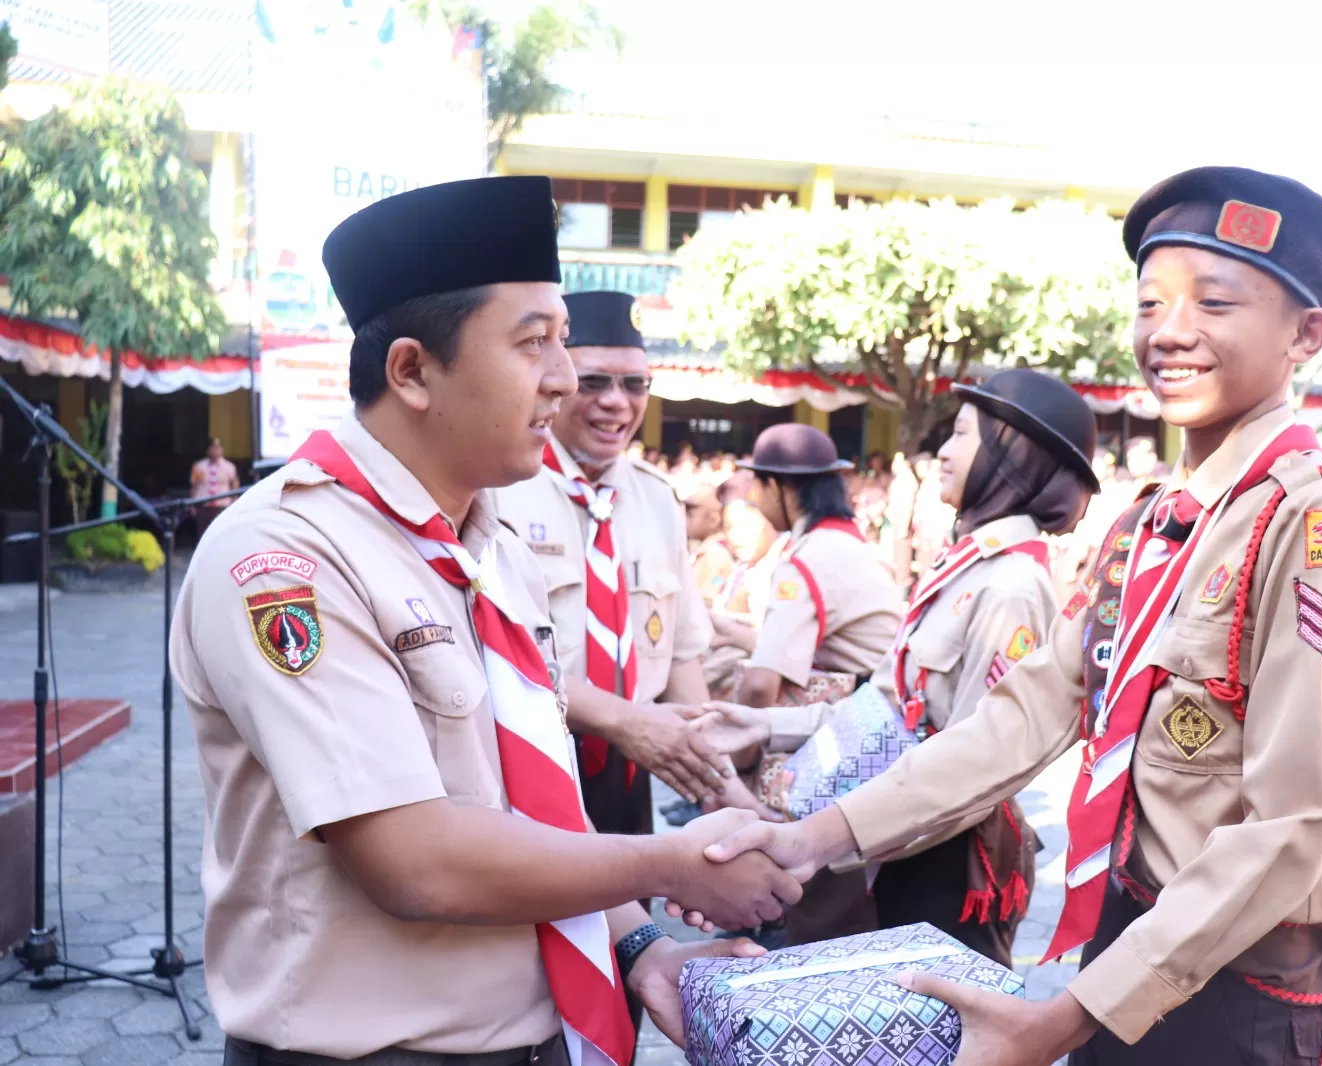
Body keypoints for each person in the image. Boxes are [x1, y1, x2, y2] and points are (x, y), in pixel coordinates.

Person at [682, 166, 1322, 1066]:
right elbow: (1024, 717)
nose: (1169, 333)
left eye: (1214, 303)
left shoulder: (1312, 524)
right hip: (1124, 959)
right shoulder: (1155, 527)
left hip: (1234, 994)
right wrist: (806, 840)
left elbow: (1290, 826)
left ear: (1307, 335)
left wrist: (1061, 1020)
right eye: (1149, 304)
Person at [169, 177, 800, 1066]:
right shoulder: (286, 559)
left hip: (536, 1037)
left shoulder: (489, 544)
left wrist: (640, 944)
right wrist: (666, 864)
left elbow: (535, 795)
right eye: (533, 343)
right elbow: (415, 859)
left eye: (565, 341)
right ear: (413, 371)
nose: (567, 379)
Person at [691, 368, 1101, 965]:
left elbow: (971, 763)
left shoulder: (1011, 584)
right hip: (890, 836)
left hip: (936, 862)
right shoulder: (965, 566)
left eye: (962, 434)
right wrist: (767, 726)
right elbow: (887, 706)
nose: (944, 452)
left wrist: (838, 838)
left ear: (1012, 456)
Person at [495, 290, 726, 837]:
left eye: (634, 384)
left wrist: (722, 792)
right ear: (555, 379)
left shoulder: (657, 499)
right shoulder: (498, 489)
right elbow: (501, 656)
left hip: (631, 775)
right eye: (594, 381)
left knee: (637, 920)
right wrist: (625, 723)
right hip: (527, 762)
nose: (616, 403)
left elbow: (683, 659)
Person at [732, 423, 902, 709]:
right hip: (887, 708)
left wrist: (730, 752)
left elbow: (760, 687)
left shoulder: (808, 560)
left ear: (775, 486)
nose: (754, 498)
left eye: (755, 485)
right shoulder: (844, 542)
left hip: (865, 717)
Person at [190, 437, 240, 539]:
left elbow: (235, 486)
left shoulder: (229, 467)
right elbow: (194, 486)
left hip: (222, 505)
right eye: (212, 448)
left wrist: (235, 504)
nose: (215, 451)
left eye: (217, 448)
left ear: (222, 450)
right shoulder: (199, 466)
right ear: (208, 450)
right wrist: (192, 505)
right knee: (203, 535)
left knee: (221, 535)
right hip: (204, 506)